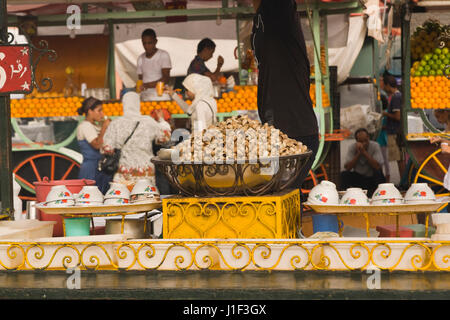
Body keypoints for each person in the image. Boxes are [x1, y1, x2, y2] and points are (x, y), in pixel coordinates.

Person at [251, 0, 319, 194]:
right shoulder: (261, 18)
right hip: (277, 132)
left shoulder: (279, 11)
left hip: (296, 133)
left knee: (282, 196)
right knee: (277, 196)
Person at [103, 92, 171, 188]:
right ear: (138, 104)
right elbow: (165, 138)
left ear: (124, 104)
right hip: (146, 172)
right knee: (145, 199)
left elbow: (107, 149)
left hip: (124, 172)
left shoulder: (115, 123)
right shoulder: (149, 121)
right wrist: (162, 120)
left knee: (124, 199)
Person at [76, 97, 112, 194]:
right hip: (91, 169)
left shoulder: (95, 125)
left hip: (101, 168)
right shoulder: (85, 126)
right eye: (99, 110)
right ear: (90, 111)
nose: (102, 114)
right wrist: (104, 127)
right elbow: (96, 145)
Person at [341, 128, 386, 197]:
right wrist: (358, 154)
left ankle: (381, 195)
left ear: (368, 138)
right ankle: (345, 197)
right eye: (361, 141)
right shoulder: (352, 147)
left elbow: (377, 166)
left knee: (379, 173)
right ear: (357, 141)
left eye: (365, 141)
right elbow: (348, 167)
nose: (364, 143)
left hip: (371, 178)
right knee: (344, 175)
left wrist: (364, 152)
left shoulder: (375, 146)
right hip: (359, 178)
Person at [381, 72, 405, 181]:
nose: (383, 87)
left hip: (395, 133)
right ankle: (404, 180)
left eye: (383, 85)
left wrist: (385, 114)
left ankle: (404, 181)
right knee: (399, 159)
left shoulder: (396, 97)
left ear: (387, 85)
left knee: (399, 159)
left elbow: (397, 116)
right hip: (394, 130)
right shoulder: (396, 96)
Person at [137, 28, 172, 101]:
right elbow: (141, 79)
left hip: (162, 97)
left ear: (156, 41)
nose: (146, 46)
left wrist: (147, 85)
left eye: (149, 43)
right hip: (145, 98)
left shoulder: (163, 55)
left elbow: (166, 78)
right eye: (144, 43)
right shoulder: (140, 58)